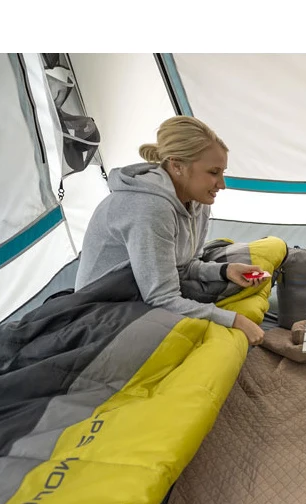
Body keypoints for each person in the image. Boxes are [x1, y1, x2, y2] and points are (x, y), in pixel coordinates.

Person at [75, 116, 266, 346]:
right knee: (207, 342)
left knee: (260, 267)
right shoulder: (149, 207)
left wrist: (225, 270)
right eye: (214, 172)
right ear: (177, 166)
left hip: (145, 292)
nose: (222, 184)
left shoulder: (198, 200)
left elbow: (183, 266)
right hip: (103, 307)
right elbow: (161, 297)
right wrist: (234, 320)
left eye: (222, 172)